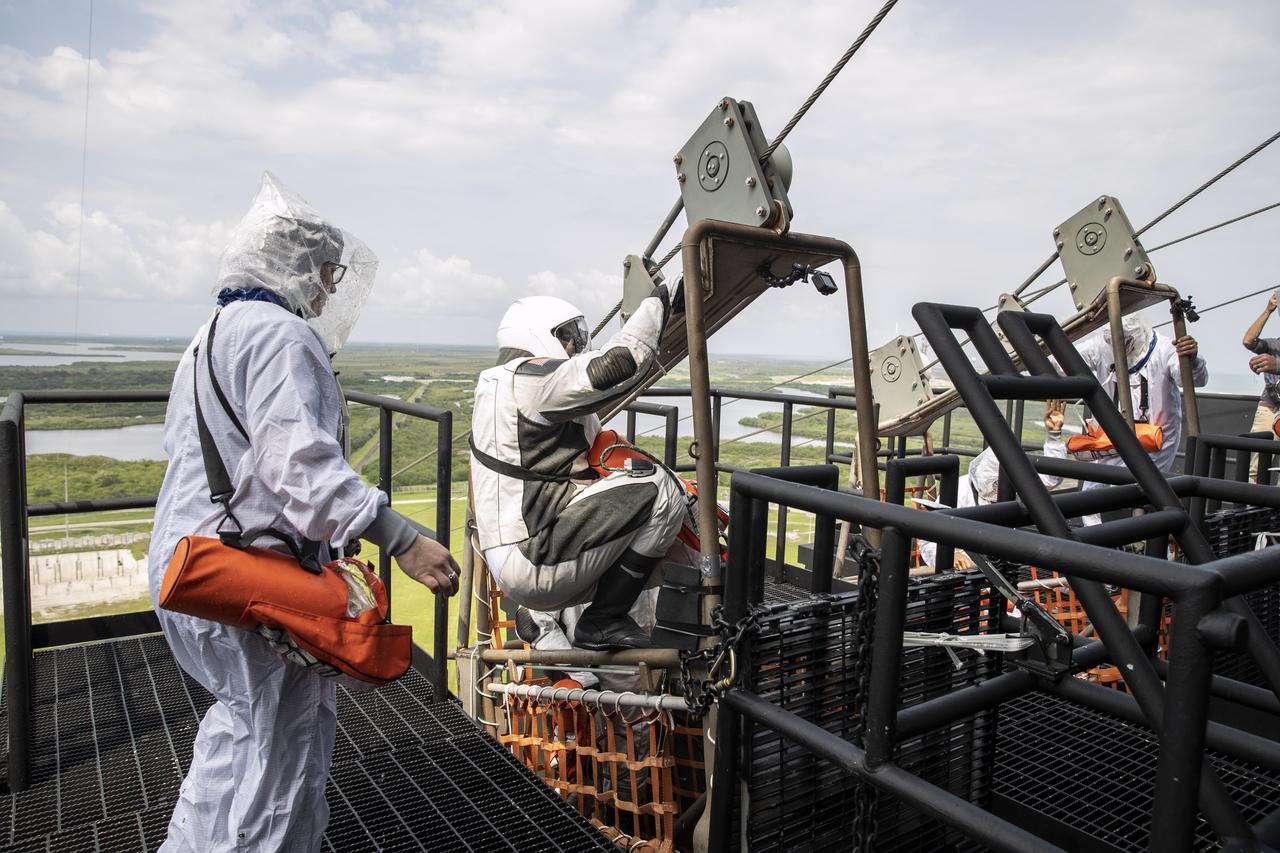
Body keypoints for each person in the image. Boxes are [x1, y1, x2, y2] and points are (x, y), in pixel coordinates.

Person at [147, 172, 460, 852]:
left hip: (192, 567)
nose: (325, 290)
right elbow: (306, 473)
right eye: (322, 272)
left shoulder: (210, 336)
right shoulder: (283, 338)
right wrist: (403, 538)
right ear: (293, 264)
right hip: (252, 582)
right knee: (283, 753)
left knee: (240, 726)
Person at [470, 287, 686, 650]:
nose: (574, 346)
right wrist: (660, 299)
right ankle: (604, 618)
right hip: (534, 557)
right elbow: (620, 363)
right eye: (567, 336)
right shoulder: (531, 380)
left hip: (516, 561)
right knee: (658, 484)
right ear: (538, 334)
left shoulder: (498, 385)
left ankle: (580, 624)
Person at [918, 400, 1066, 569]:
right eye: (994, 484)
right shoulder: (960, 490)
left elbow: (1050, 478)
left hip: (1002, 565)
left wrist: (1054, 435)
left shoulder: (1015, 488)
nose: (997, 490)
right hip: (965, 571)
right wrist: (949, 556)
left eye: (1000, 484)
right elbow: (927, 538)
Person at [1242, 291, 1280, 479]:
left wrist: (1277, 366)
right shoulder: (1273, 344)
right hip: (1270, 406)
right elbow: (1248, 341)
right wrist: (1268, 310)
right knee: (1256, 465)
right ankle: (1252, 506)